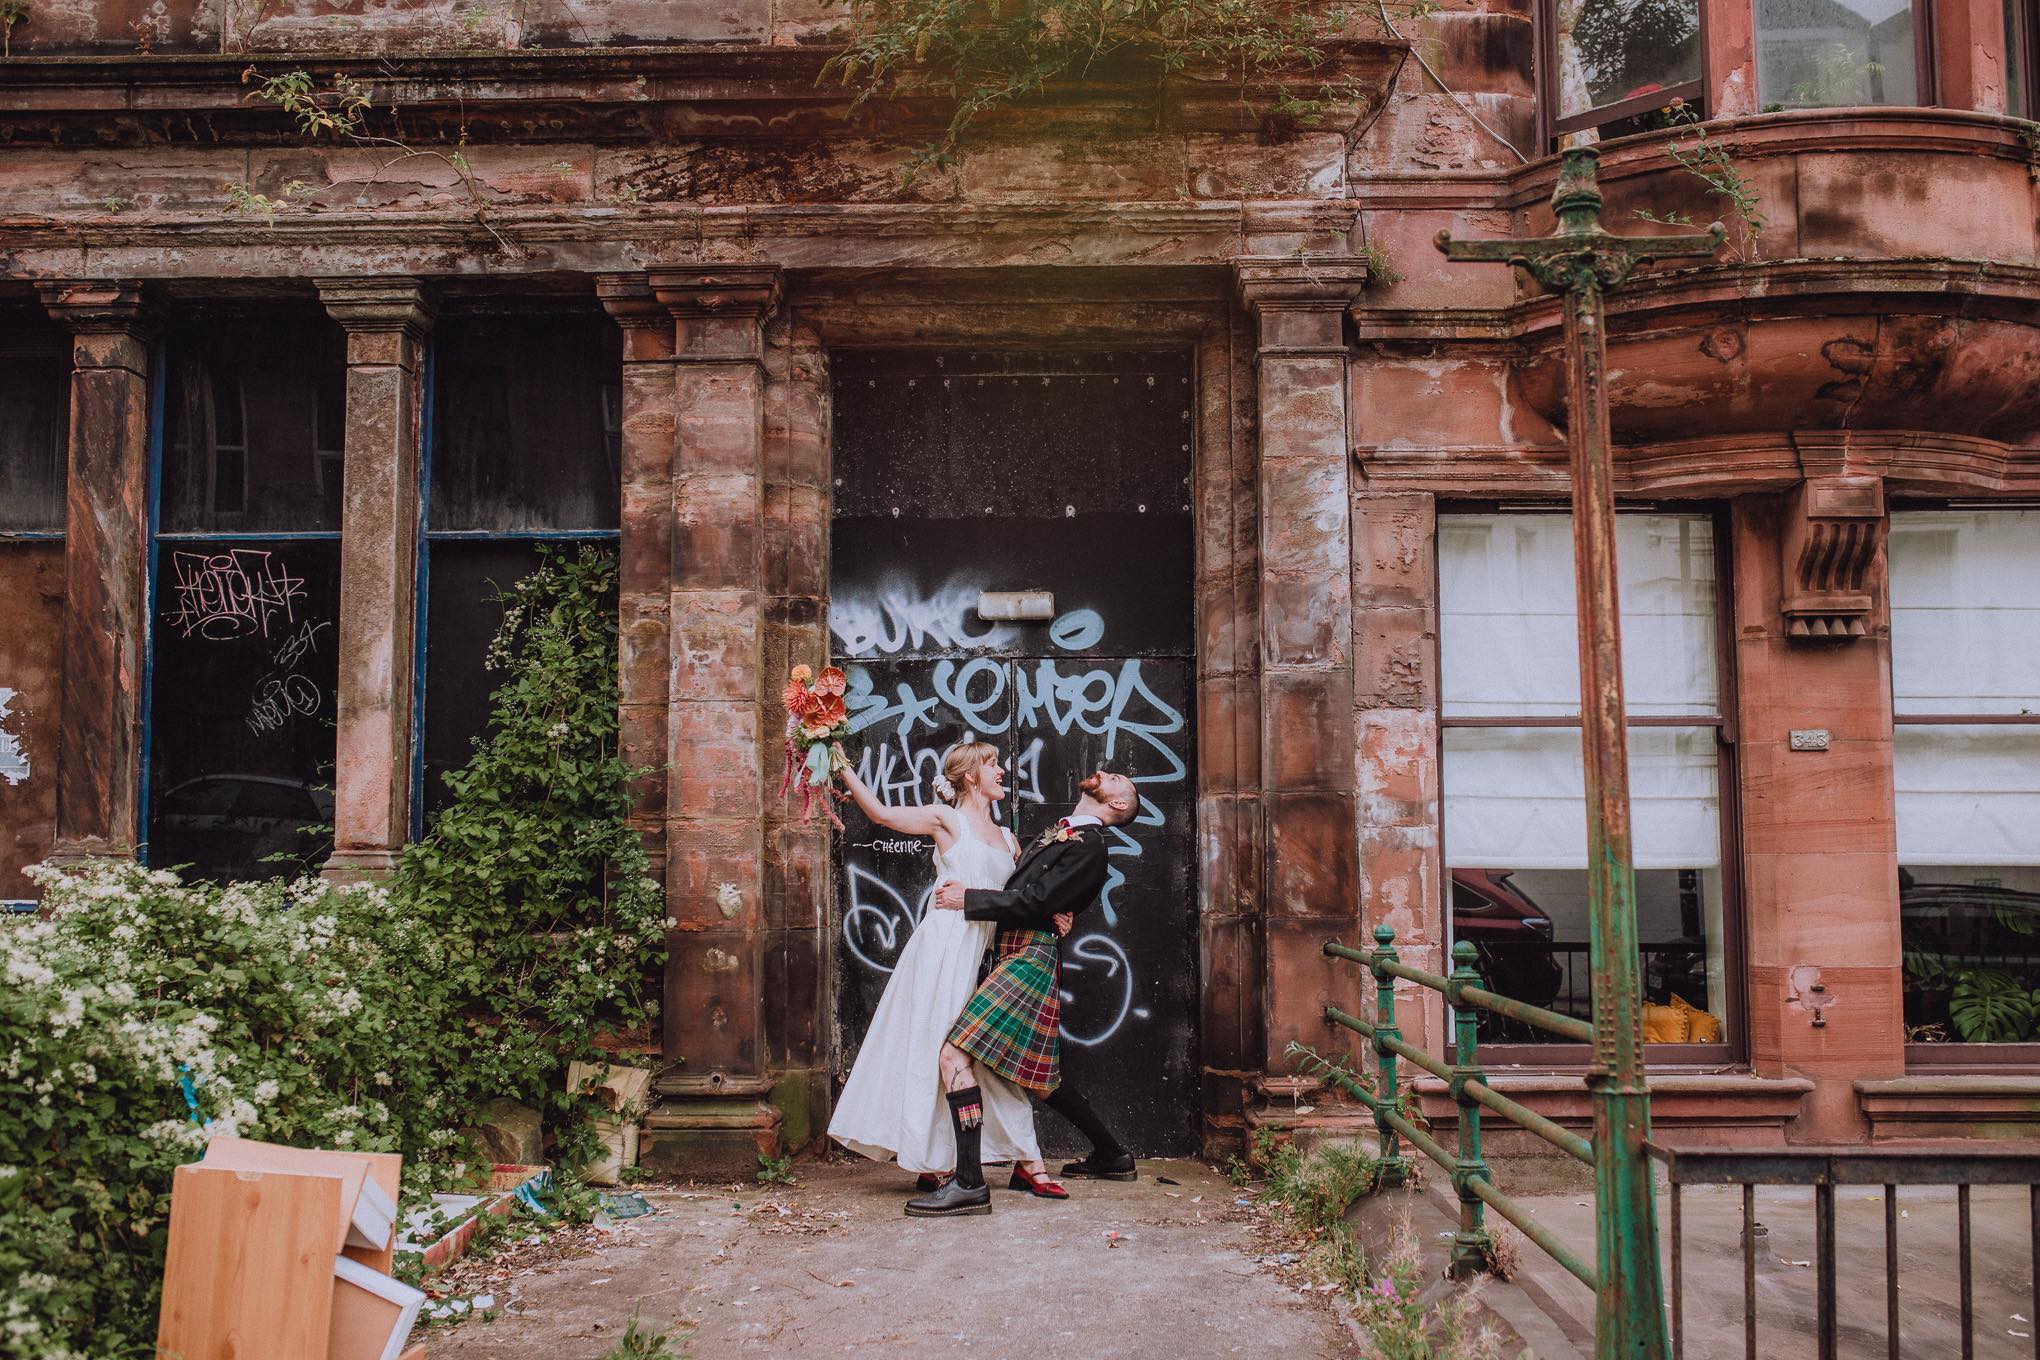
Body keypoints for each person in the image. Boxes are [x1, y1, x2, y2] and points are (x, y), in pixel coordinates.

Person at [903, 768, 1142, 1217]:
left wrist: (970, 900)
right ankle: (1110, 1155)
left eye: (1114, 779)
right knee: (1035, 1075)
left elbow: (1037, 901)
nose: (1104, 772)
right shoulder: (1066, 832)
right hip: (1010, 951)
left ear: (1116, 804)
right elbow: (1030, 889)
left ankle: (969, 1183)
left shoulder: (1090, 846)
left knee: (956, 1056)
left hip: (1029, 957)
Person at [824, 739, 1061, 1191]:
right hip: (945, 949)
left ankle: (1022, 1158)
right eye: (992, 764)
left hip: (988, 955)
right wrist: (839, 762)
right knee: (934, 1048)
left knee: (984, 1056)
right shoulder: (947, 820)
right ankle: (936, 1161)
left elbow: (1024, 897)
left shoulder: (1009, 838)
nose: (1002, 771)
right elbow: (880, 814)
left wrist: (1057, 914)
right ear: (970, 776)